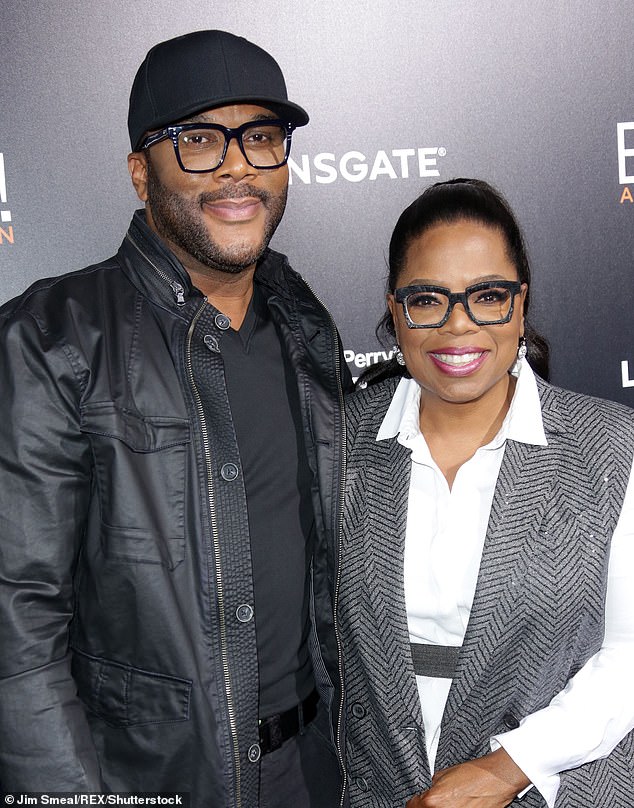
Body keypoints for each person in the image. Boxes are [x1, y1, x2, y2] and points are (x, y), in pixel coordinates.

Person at [0, 30, 350, 806]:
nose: (236, 165)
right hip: (152, 783)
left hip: (316, 771)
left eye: (261, 138)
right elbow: (16, 623)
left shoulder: (304, 323)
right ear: (139, 172)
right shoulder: (53, 336)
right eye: (198, 139)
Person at [338, 178, 634, 807]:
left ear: (520, 305)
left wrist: (508, 768)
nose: (458, 326)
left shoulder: (613, 447)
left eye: (487, 296)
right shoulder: (337, 440)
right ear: (395, 311)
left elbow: (630, 658)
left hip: (559, 789)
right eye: (428, 300)